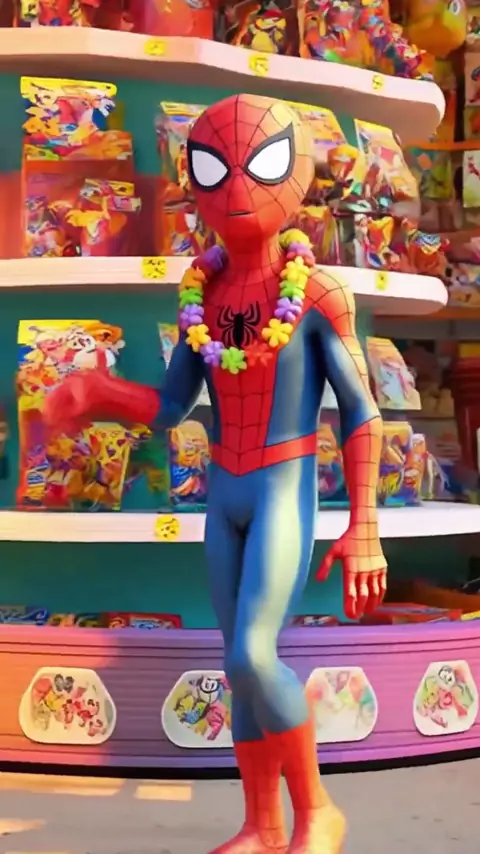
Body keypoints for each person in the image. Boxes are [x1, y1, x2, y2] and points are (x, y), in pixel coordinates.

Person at [43, 94, 387, 854]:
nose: (235, 188)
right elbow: (172, 406)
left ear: (298, 174)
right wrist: (98, 391)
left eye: (259, 165)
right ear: (191, 181)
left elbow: (361, 410)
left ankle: (318, 811)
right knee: (238, 672)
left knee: (253, 656)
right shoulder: (200, 290)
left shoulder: (318, 292)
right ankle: (262, 825)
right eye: (212, 168)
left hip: (282, 486)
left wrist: (364, 525)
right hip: (225, 493)